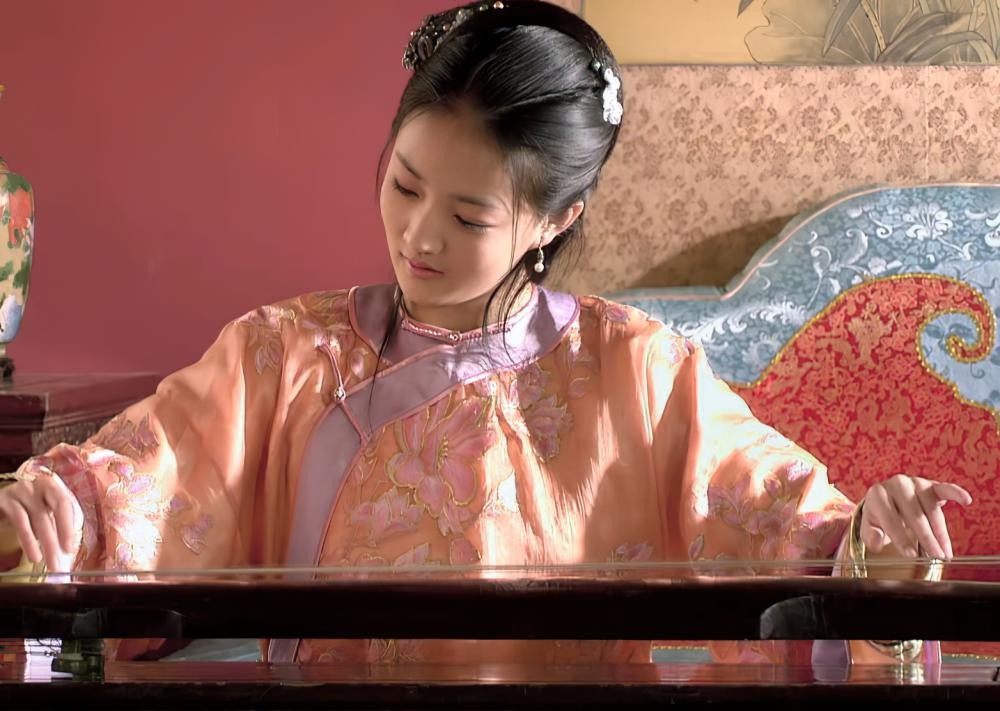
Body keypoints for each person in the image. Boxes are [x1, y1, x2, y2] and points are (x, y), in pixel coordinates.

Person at [0, 0, 972, 667]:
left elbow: (786, 528)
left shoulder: (638, 371)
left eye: (469, 216)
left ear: (555, 219)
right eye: (404, 184)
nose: (418, 236)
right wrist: (55, 517)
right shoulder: (281, 353)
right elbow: (144, 480)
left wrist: (873, 548)